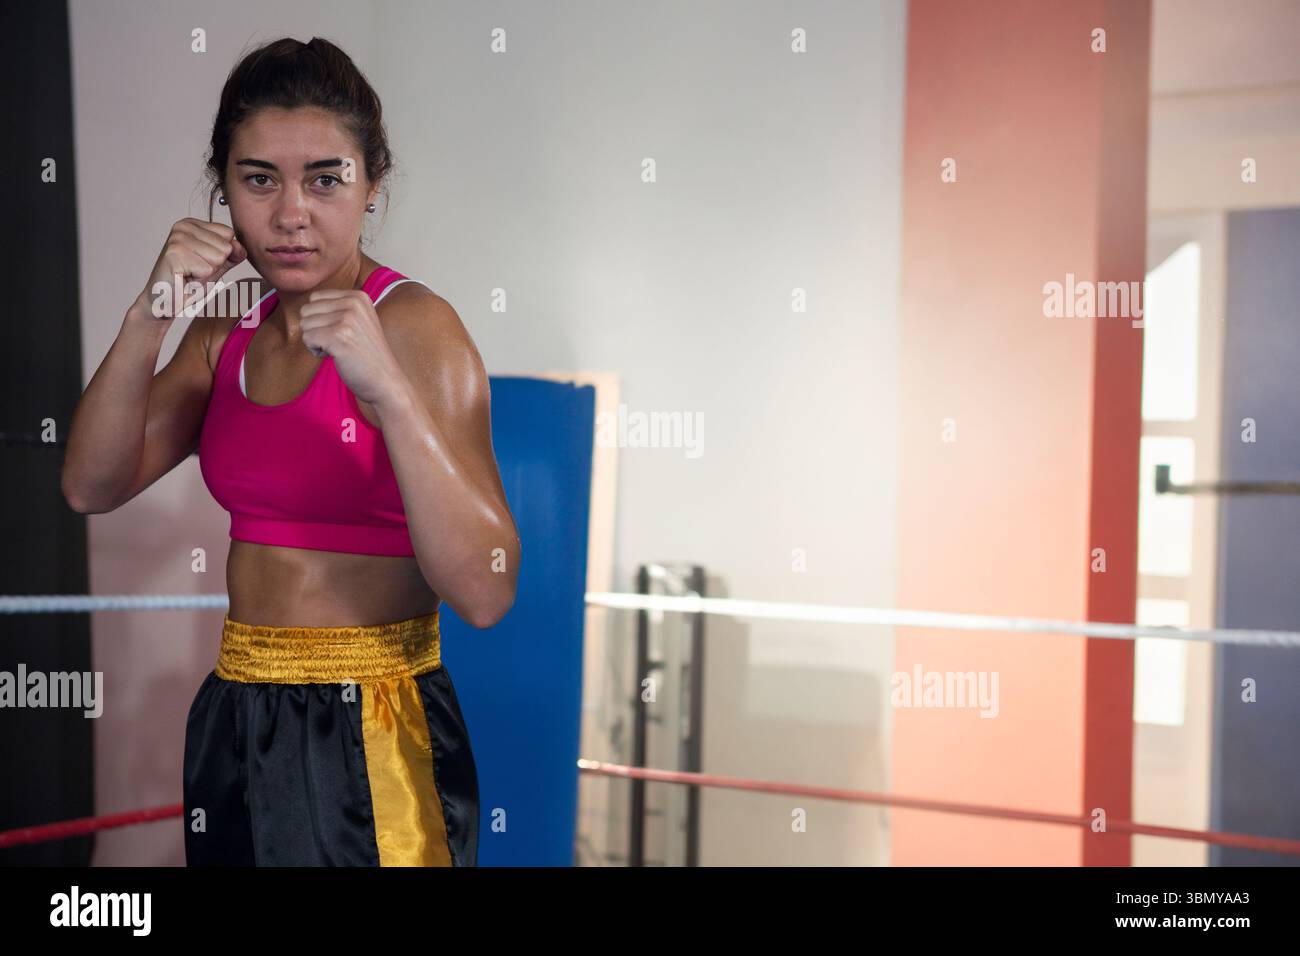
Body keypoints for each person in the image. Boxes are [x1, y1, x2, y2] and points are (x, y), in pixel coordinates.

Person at [60, 36, 520, 866]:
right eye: (259, 178)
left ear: (372, 185)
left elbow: (487, 591)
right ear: (223, 187)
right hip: (239, 711)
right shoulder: (223, 334)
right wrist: (148, 317)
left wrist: (387, 393)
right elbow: (91, 485)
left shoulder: (418, 328)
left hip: (373, 719)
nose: (291, 213)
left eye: (325, 179)